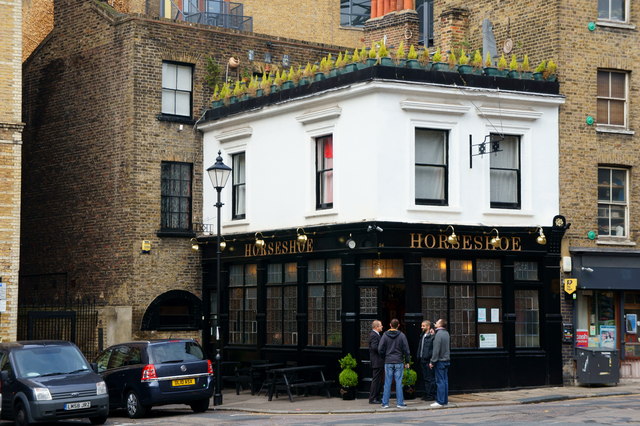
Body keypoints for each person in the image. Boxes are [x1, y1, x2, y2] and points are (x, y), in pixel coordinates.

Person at [378, 318, 411, 409]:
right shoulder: (402, 335)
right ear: (398, 325)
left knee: (387, 382)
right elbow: (406, 350)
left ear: (390, 325)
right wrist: (407, 361)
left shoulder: (384, 335)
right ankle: (400, 403)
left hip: (388, 361)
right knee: (399, 382)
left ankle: (385, 403)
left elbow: (380, 349)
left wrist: (384, 357)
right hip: (399, 361)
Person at [429, 318, 451, 407]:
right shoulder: (446, 333)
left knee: (440, 382)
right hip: (446, 360)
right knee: (445, 381)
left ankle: (440, 401)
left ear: (440, 325)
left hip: (440, 361)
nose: (435, 323)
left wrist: (432, 362)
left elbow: (436, 350)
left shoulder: (438, 334)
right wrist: (433, 335)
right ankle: (445, 400)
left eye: (437, 322)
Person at [417, 320, 435, 401]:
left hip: (428, 360)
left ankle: (431, 395)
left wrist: (431, 359)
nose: (421, 327)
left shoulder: (431, 336)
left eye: (423, 326)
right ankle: (427, 393)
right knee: (425, 378)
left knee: (430, 378)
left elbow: (433, 349)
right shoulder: (423, 335)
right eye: (421, 325)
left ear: (428, 326)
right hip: (422, 359)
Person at [368, 320, 384, 404]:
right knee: (376, 380)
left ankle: (376, 397)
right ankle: (373, 398)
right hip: (377, 361)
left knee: (378, 380)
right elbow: (375, 347)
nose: (382, 327)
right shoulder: (374, 335)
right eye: (380, 325)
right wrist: (383, 351)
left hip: (378, 361)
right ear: (376, 327)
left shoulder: (376, 334)